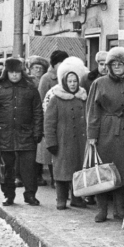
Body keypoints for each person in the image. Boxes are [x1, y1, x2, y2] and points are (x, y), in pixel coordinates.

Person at [86, 47, 124, 223]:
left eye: (120, 64)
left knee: (123, 170)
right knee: (103, 170)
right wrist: (92, 135)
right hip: (106, 131)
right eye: (113, 63)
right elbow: (92, 111)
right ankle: (101, 209)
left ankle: (120, 209)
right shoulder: (99, 83)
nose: (116, 67)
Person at [0, 58, 43, 206]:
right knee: (7, 169)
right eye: (11, 72)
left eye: (17, 72)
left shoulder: (30, 88)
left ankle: (30, 195)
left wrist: (37, 131)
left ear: (22, 72)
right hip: (4, 135)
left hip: (27, 134)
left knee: (29, 168)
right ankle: (8, 195)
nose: (15, 75)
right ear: (6, 72)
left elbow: (38, 111)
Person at [44, 57, 90, 210]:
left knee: (78, 171)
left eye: (75, 81)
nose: (72, 84)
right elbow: (49, 123)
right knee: (62, 172)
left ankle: (76, 198)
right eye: (69, 81)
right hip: (63, 142)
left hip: (80, 143)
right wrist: (51, 142)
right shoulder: (56, 99)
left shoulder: (83, 98)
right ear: (64, 82)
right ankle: (61, 199)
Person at [37, 51, 69, 186]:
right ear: (54, 64)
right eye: (60, 63)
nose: (63, 66)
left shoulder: (68, 76)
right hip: (50, 118)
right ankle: (54, 178)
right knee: (51, 150)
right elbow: (41, 100)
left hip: (65, 119)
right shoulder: (46, 78)